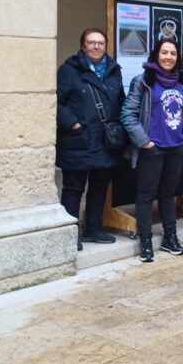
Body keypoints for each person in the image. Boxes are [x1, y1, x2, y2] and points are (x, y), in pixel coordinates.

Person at [121, 39, 183, 262]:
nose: (168, 57)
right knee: (146, 195)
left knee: (168, 195)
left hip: (176, 148)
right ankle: (145, 241)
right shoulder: (143, 81)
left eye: (173, 53)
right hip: (152, 149)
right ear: (156, 55)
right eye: (164, 52)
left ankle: (170, 238)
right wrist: (144, 142)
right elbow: (127, 113)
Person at [56, 28, 124, 250]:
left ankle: (94, 228)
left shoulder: (114, 71)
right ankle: (69, 234)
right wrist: (72, 123)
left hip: (105, 142)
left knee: (99, 188)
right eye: (91, 42)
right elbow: (55, 102)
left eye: (100, 43)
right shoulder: (68, 70)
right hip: (78, 141)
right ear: (83, 46)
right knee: (73, 189)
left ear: (106, 46)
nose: (96, 46)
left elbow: (120, 101)